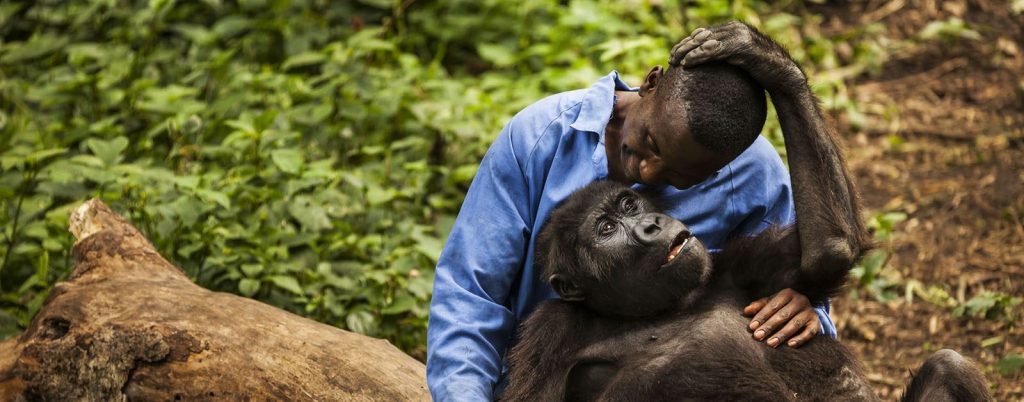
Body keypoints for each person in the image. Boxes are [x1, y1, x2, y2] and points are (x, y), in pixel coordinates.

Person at [427, 24, 836, 401]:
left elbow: (813, 268)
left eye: (682, 176)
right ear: (651, 83)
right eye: (651, 142)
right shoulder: (542, 136)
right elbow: (471, 293)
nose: (649, 172)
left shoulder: (750, 171)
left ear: (720, 165)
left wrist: (803, 303)